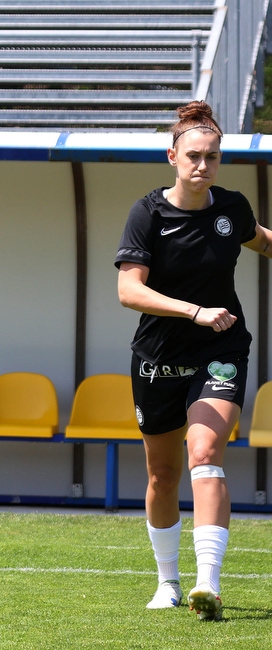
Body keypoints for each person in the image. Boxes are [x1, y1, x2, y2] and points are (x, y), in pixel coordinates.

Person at [116, 100, 272, 622]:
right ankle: (168, 582)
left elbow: (261, 242)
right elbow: (128, 291)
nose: (202, 166)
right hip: (158, 355)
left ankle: (209, 583)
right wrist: (194, 311)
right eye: (193, 156)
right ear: (172, 156)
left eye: (211, 156)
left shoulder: (232, 208)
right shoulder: (148, 213)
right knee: (162, 473)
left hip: (220, 349)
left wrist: (211, 319)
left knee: (204, 451)